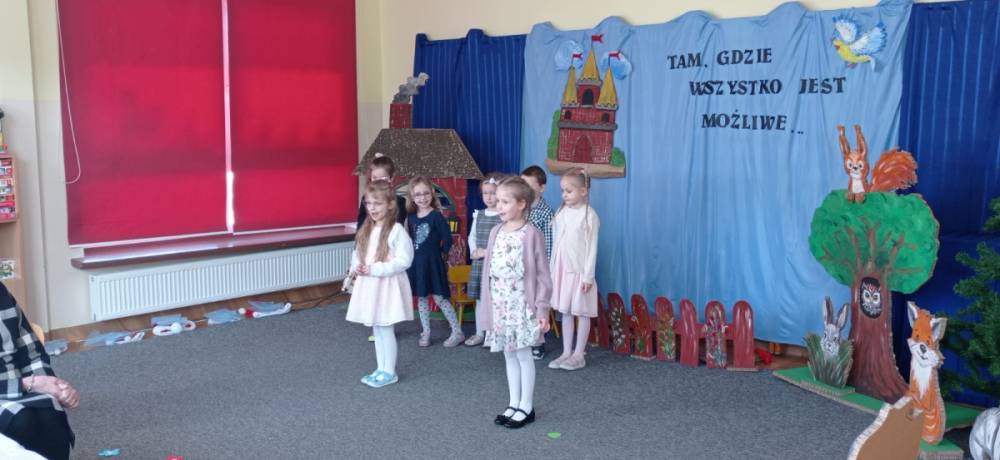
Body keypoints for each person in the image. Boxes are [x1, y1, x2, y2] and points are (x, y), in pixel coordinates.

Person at [479, 177, 552, 428]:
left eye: (505, 202)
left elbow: (543, 275)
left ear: (521, 204)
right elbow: (489, 271)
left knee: (523, 355)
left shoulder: (531, 234)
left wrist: (542, 309)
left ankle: (527, 406)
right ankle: (514, 402)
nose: (498, 206)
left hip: (522, 306)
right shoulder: (495, 232)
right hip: (501, 305)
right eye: (498, 201)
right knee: (508, 355)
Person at [345, 181, 414, 388]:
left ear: (390, 204)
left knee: (385, 329)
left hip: (387, 287)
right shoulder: (367, 229)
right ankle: (381, 368)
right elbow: (358, 253)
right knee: (377, 330)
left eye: (377, 203)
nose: (372, 208)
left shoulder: (396, 230)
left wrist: (375, 269)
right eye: (369, 203)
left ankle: (389, 371)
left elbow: (404, 260)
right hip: (370, 287)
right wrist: (357, 266)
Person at [0, 283, 77, 459]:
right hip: (11, 388)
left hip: (22, 386)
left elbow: (31, 352)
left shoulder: (2, 294)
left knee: (50, 413)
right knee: (21, 420)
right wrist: (28, 384)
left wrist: (54, 386)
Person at [548, 167, 601, 371]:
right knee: (566, 311)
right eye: (562, 191)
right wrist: (552, 269)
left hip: (579, 271)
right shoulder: (561, 212)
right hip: (562, 269)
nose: (564, 195)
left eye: (569, 191)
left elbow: (591, 248)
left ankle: (579, 354)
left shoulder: (589, 215)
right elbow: (557, 242)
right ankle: (566, 352)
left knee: (582, 311)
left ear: (583, 191)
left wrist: (588, 276)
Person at [405, 177, 463, 347]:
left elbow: (448, 239)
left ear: (432, 193)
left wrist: (440, 256)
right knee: (422, 298)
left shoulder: (436, 216)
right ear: (412, 197)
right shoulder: (411, 218)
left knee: (440, 299)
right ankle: (426, 332)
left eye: (426, 193)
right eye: (418, 195)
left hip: (434, 264)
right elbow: (410, 241)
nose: (422, 198)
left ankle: (457, 332)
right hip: (417, 265)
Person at [464, 173, 504, 347]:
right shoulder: (478, 214)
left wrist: (487, 252)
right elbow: (472, 236)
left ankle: (492, 334)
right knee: (480, 299)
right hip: (480, 263)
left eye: (493, 193)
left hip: (495, 263)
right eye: (485, 193)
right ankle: (480, 332)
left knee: (495, 299)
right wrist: (474, 250)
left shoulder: (503, 215)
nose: (488, 197)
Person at [521, 165, 555, 360]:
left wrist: (545, 272)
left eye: (529, 185)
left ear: (541, 188)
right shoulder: (520, 209)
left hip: (536, 269)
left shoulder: (545, 213)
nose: (525, 189)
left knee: (536, 306)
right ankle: (523, 338)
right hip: (520, 268)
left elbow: (549, 245)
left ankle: (538, 342)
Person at [356, 153, 407, 229]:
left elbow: (397, 227)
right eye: (374, 178)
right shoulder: (365, 198)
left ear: (391, 178)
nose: (378, 182)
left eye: (382, 178)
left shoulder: (400, 201)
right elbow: (360, 226)